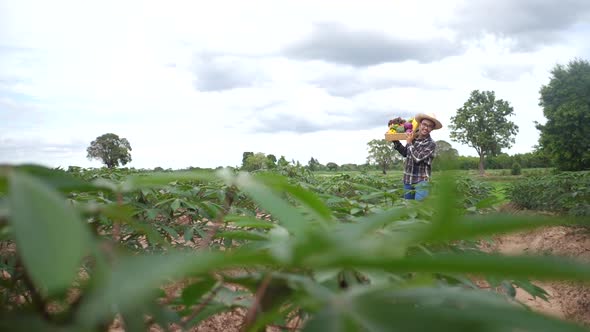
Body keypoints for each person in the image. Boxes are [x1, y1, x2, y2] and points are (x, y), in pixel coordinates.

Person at [392, 113, 442, 200]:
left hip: (422, 180)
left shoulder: (431, 143)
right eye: (424, 124)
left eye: (429, 126)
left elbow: (418, 158)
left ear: (432, 129)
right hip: (408, 179)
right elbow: (405, 153)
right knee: (409, 209)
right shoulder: (412, 138)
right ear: (420, 124)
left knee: (419, 208)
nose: (426, 128)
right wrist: (395, 141)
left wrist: (409, 143)